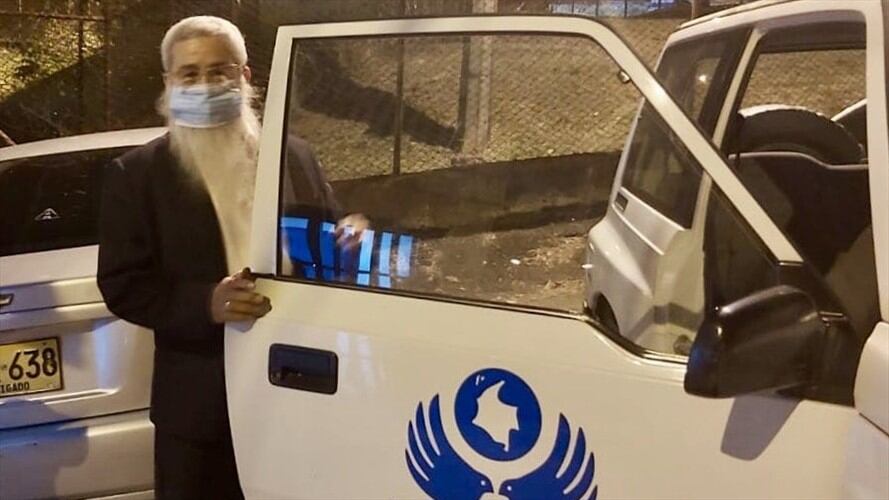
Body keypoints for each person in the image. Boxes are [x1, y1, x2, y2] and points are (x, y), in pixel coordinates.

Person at [97, 16, 365, 499]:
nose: (206, 84)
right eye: (190, 74)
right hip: (200, 407)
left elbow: (324, 237)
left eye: (220, 71)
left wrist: (347, 240)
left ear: (245, 77)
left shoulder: (292, 156)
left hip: (300, 389)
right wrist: (206, 304)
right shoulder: (137, 175)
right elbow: (123, 284)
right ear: (168, 84)